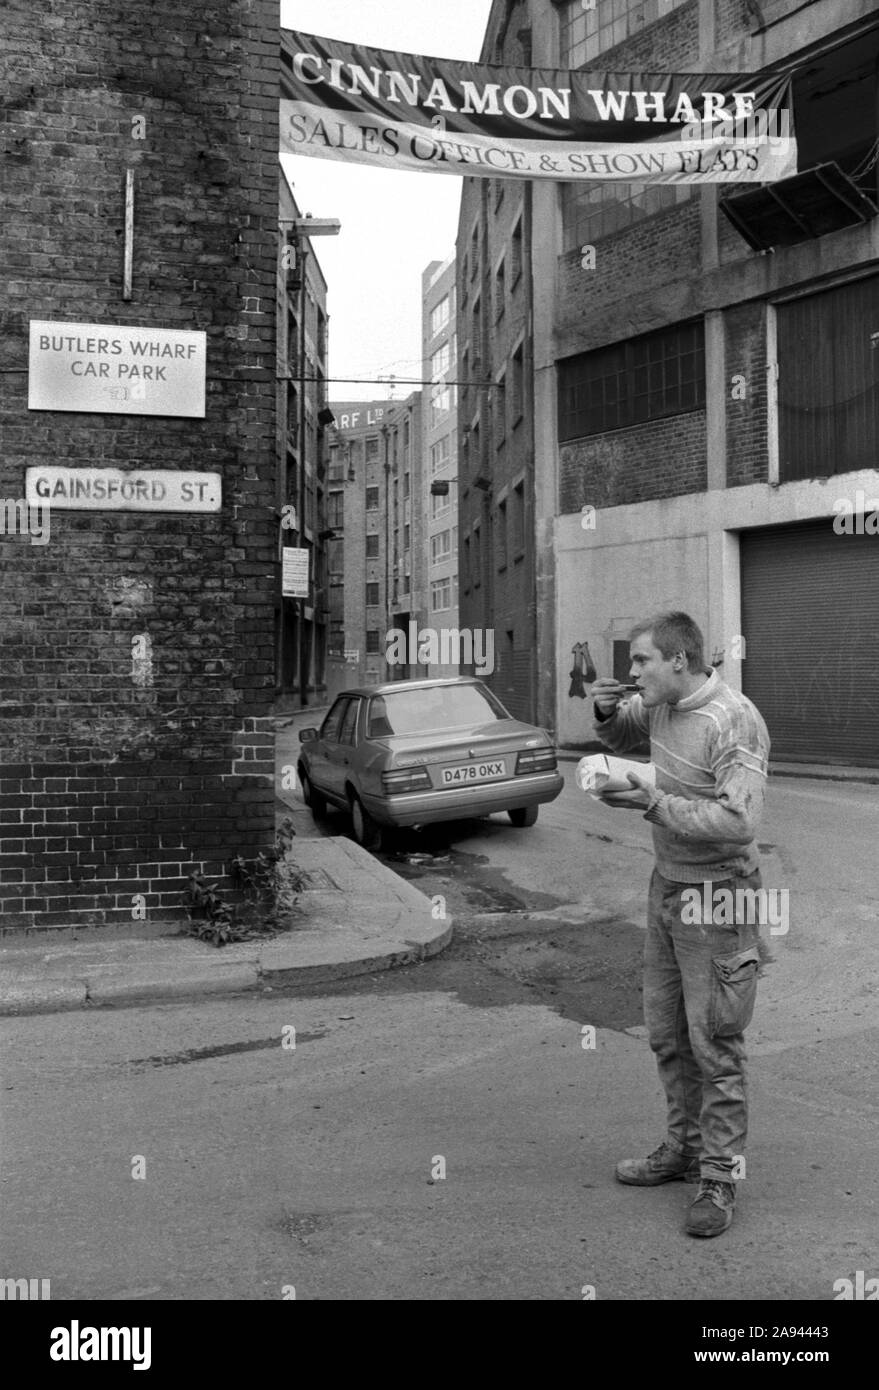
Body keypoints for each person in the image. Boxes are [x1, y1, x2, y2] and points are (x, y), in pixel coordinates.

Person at [591, 612, 770, 1238]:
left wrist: (654, 804)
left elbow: (738, 824)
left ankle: (719, 1176)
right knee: (667, 1034)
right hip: (667, 887)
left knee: (715, 1044)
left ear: (680, 661)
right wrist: (608, 712)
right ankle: (684, 1149)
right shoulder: (660, 704)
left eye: (641, 662)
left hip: (719, 898)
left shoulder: (734, 720)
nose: (632, 671)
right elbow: (619, 737)